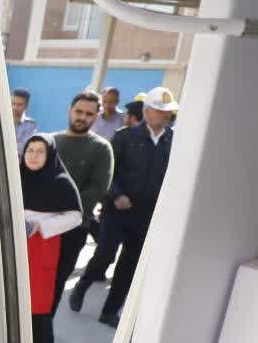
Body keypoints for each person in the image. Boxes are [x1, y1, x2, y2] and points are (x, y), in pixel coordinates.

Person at [70, 85, 178, 327]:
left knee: (130, 264)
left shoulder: (174, 141)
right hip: (118, 210)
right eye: (160, 111)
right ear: (148, 111)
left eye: (168, 112)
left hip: (147, 213)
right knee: (105, 254)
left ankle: (110, 311)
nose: (165, 116)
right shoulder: (124, 137)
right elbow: (108, 172)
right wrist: (116, 195)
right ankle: (82, 284)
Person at [20, 134, 84, 343]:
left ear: (50, 155)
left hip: (42, 249)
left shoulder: (60, 183)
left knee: (38, 306)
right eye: (30, 150)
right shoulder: (16, 178)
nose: (33, 156)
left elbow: (75, 217)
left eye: (39, 151)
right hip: (15, 246)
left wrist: (40, 225)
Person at [53, 90, 114, 309]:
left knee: (54, 285)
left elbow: (98, 189)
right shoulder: (50, 141)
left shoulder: (101, 148)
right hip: (37, 225)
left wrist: (59, 208)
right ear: (70, 110)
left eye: (89, 114)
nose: (82, 117)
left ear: (96, 117)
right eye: (78, 111)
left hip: (73, 228)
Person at [12, 88, 38, 155]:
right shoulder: (1, 121)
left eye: (19, 105)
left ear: (26, 106)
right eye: (13, 103)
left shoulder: (31, 125)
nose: (14, 107)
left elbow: (24, 148)